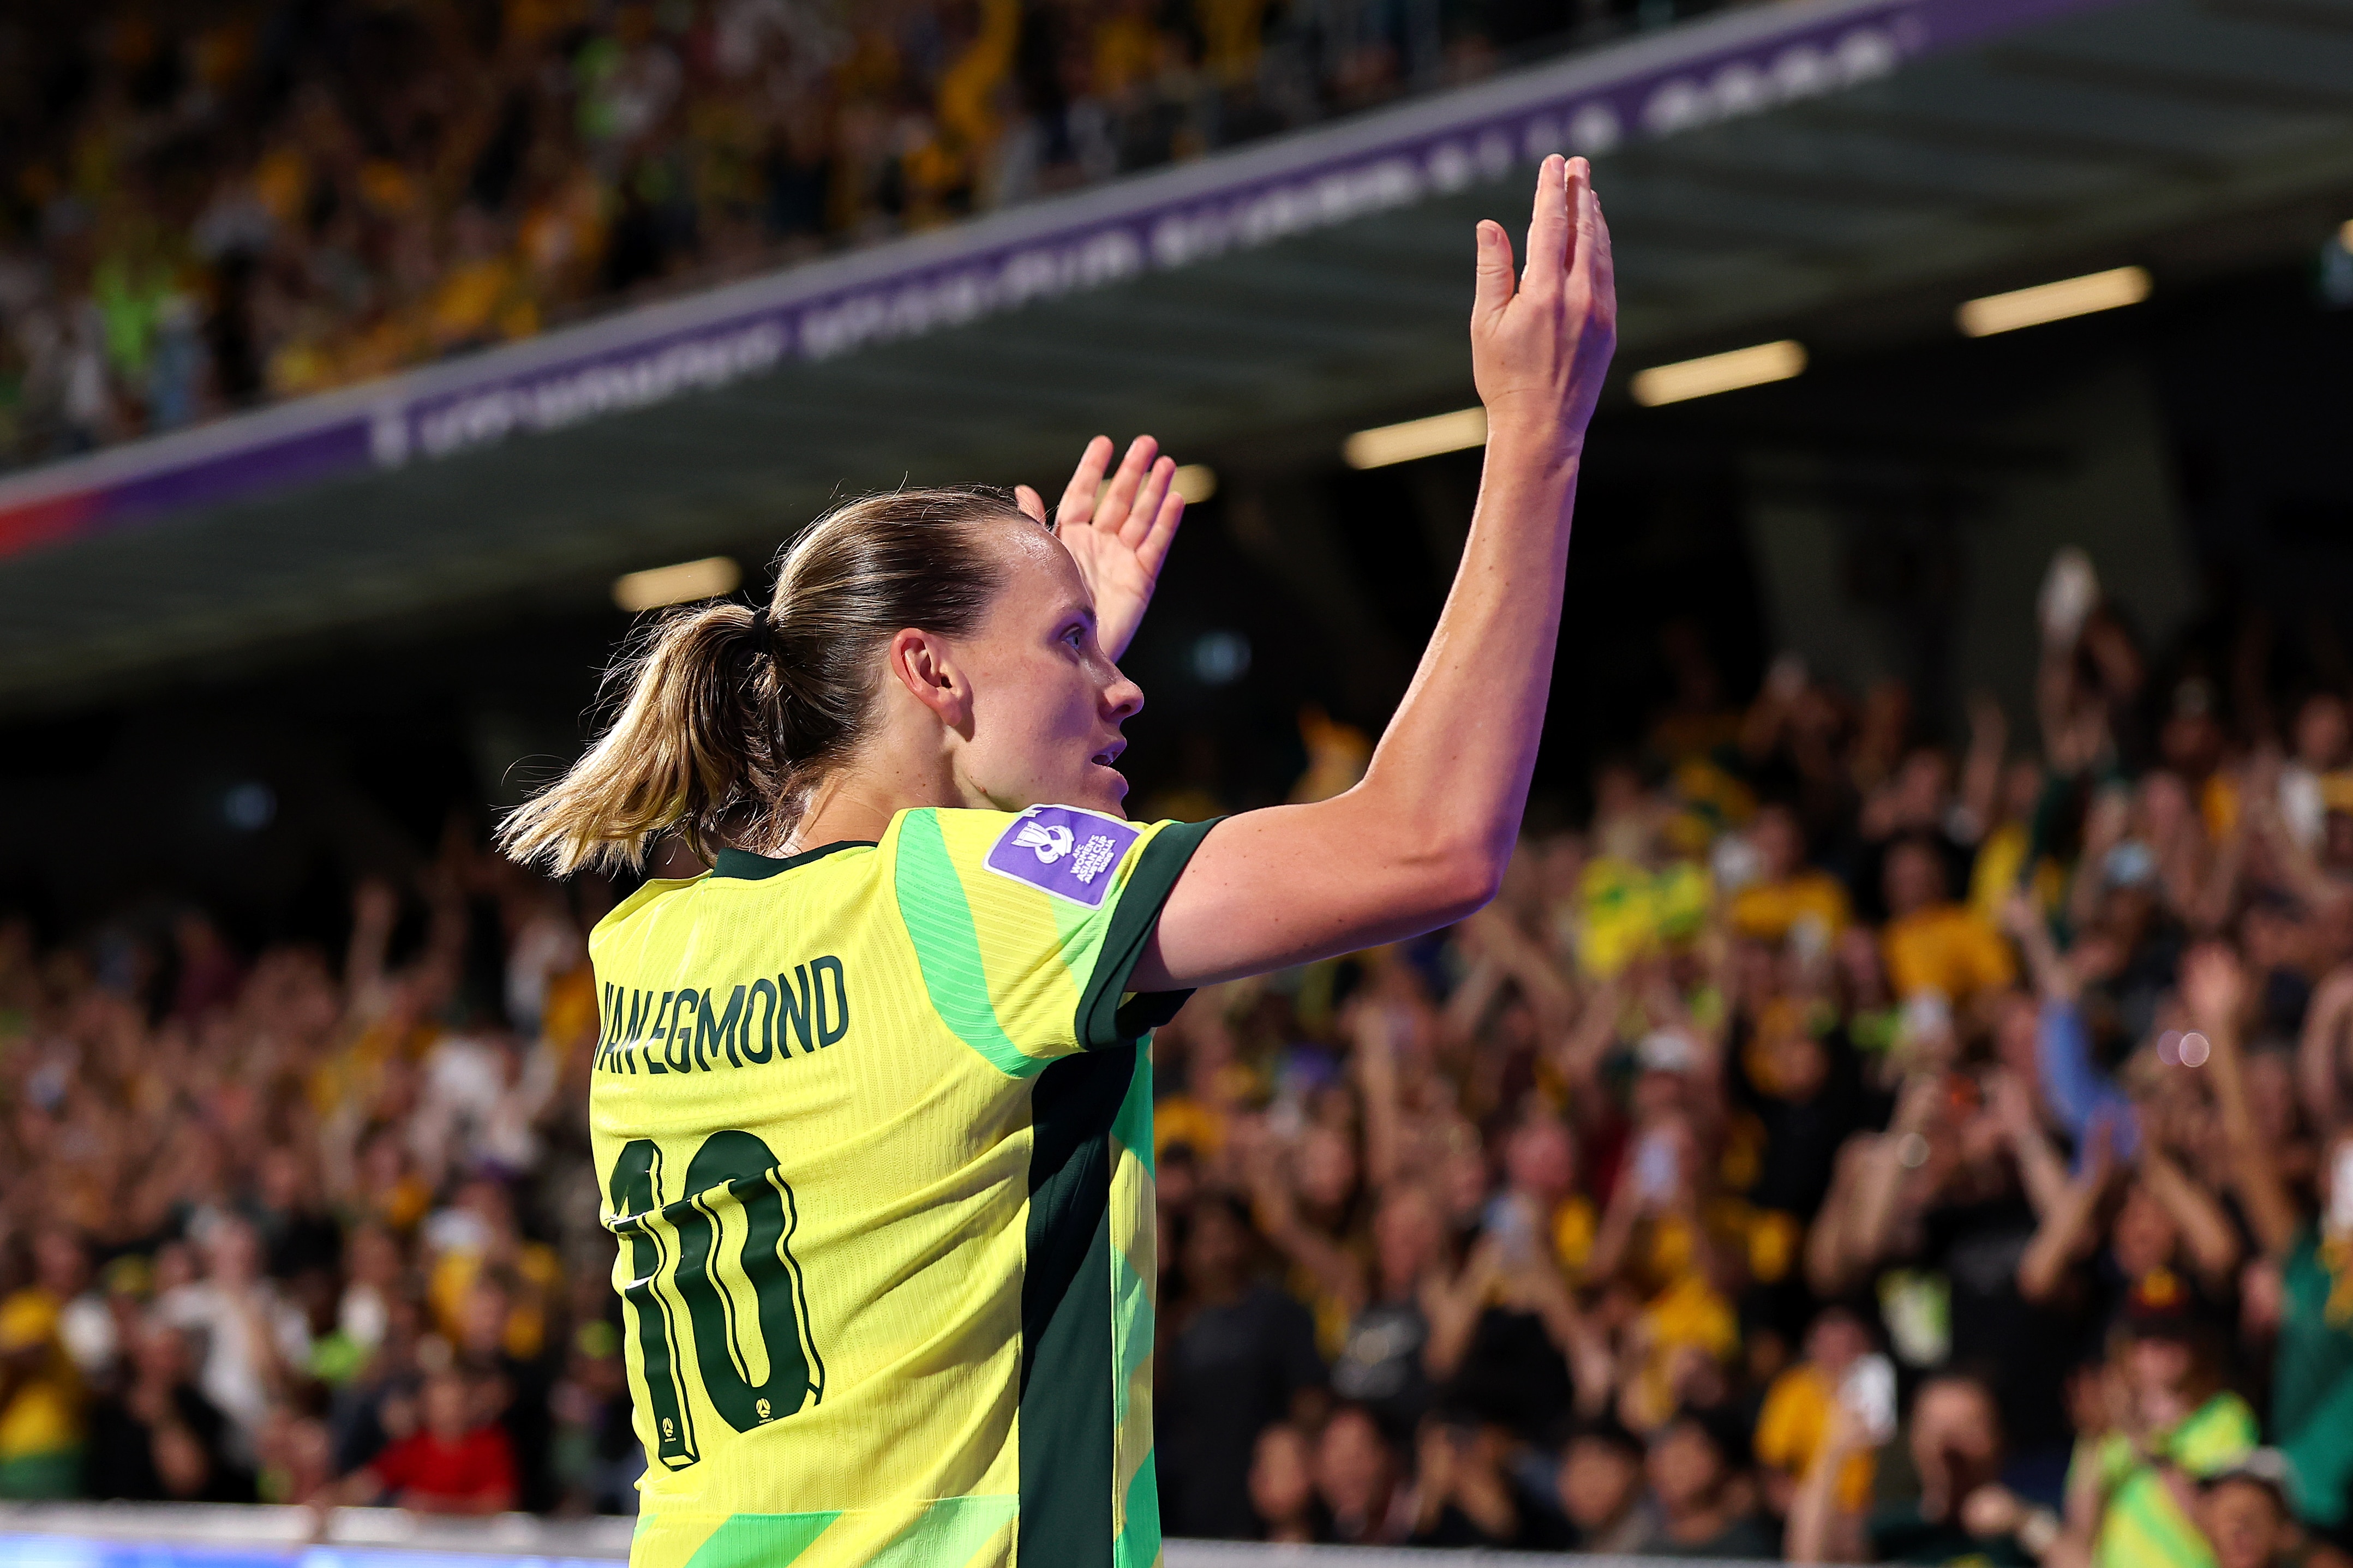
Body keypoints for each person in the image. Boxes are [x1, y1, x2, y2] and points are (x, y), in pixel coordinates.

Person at [495, 155, 1615, 1566]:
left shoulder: (649, 946)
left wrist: (1046, 684)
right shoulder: (981, 901)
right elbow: (1430, 841)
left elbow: (904, 1011)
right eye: (1073, 644)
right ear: (932, 674)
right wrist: (1535, 443)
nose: (1124, 684)